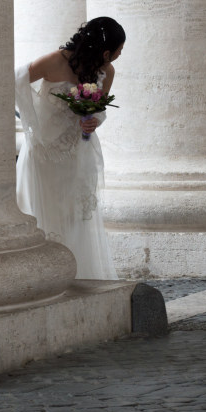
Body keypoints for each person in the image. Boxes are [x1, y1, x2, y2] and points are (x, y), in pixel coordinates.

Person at [15, 17, 125, 280]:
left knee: (75, 217)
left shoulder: (106, 72)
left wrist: (92, 122)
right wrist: (31, 124)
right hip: (44, 153)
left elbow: (98, 111)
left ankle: (76, 274)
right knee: (45, 214)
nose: (120, 56)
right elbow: (16, 80)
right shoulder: (55, 60)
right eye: (119, 50)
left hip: (78, 153)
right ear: (105, 51)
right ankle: (41, 277)